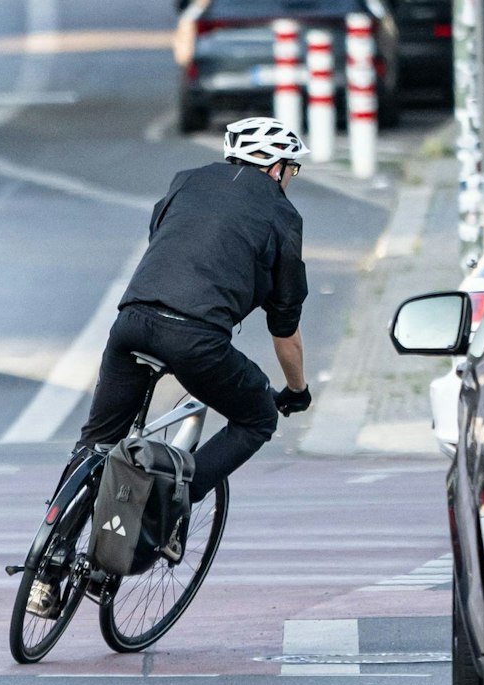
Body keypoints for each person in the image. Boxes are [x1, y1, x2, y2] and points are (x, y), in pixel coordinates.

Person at [72, 116, 314, 500]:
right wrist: (297, 390)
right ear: (275, 167)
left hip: (131, 322)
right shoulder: (282, 215)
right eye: (292, 169)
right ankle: (172, 502)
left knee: (97, 441)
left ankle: (54, 535)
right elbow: (285, 328)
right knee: (258, 417)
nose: (290, 178)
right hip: (195, 339)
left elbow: (161, 237)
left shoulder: (186, 181)